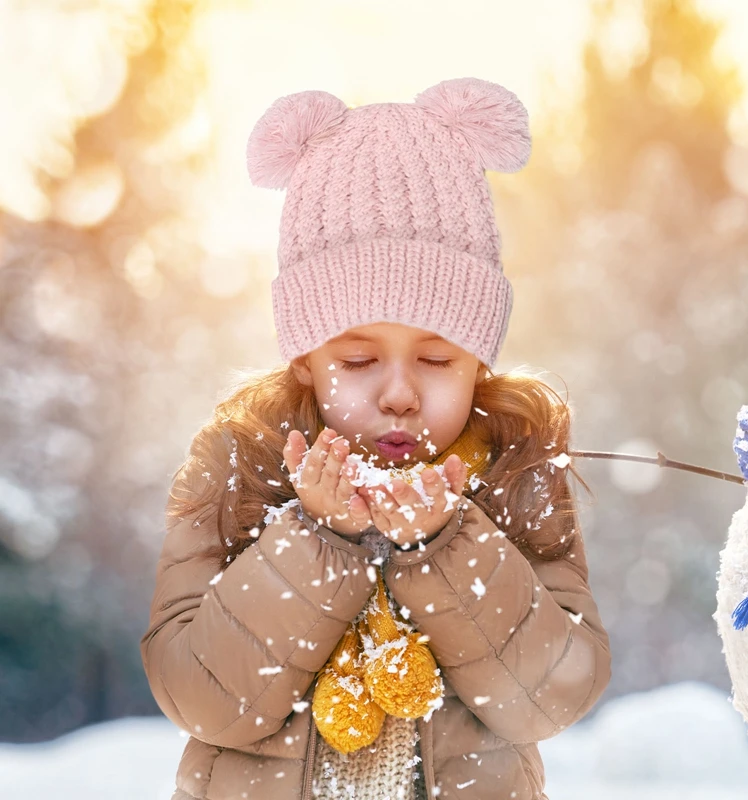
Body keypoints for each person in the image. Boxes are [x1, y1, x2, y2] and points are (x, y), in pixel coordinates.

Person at [140, 76, 612, 800]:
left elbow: (552, 696)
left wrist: (445, 547)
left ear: (479, 357)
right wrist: (315, 538)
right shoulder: (240, 466)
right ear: (303, 355)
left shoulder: (514, 470)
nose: (399, 392)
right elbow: (200, 697)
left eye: (436, 359)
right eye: (357, 360)